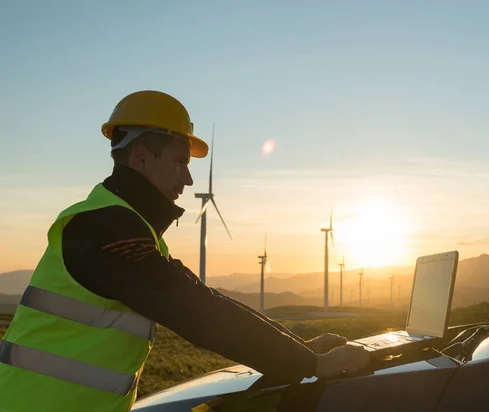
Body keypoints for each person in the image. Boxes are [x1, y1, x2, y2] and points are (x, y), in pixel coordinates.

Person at [0, 91, 370, 412]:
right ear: (142, 159)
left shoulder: (126, 226)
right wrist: (311, 364)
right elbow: (195, 309)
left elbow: (203, 296)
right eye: (180, 162)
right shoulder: (105, 229)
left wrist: (300, 347)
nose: (189, 179)